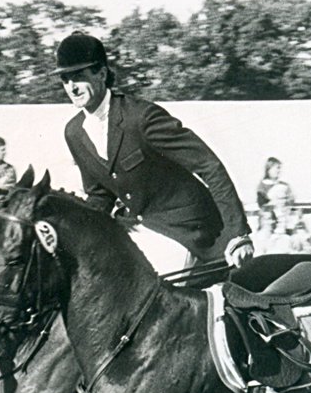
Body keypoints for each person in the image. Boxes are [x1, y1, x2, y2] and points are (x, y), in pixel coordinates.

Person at [55, 31, 252, 273]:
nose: (72, 88)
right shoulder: (74, 133)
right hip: (138, 230)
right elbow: (99, 196)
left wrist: (238, 233)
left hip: (187, 232)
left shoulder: (141, 117)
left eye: (78, 77)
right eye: (65, 79)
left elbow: (209, 165)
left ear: (102, 74)